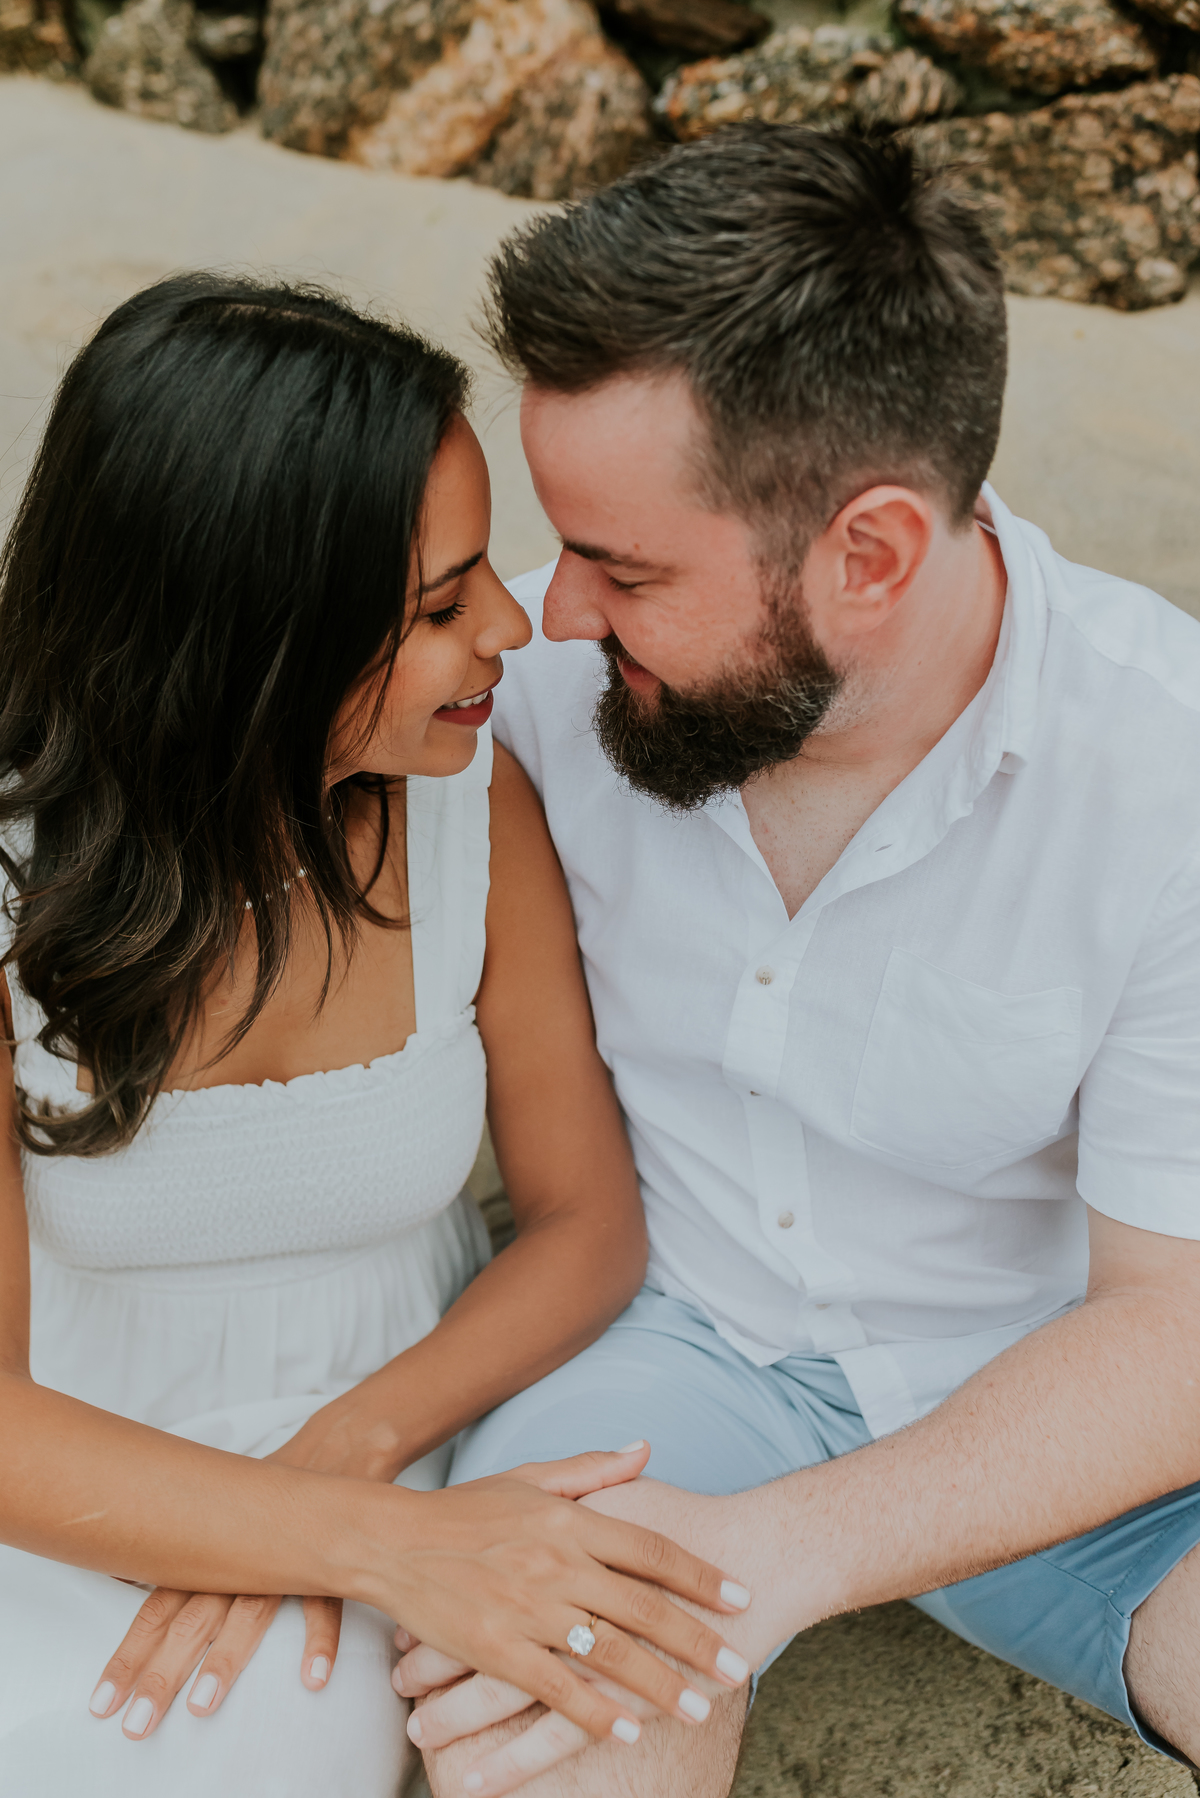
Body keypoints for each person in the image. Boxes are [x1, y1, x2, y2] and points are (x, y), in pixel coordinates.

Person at [395, 125, 1200, 1798]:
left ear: (873, 553)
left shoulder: (1168, 768)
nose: (554, 618)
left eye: (622, 569)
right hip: (659, 1355)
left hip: (1069, 1410)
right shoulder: (534, 695)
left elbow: (1175, 1321)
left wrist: (781, 1553)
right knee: (542, 1751)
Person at [0, 274, 754, 1798]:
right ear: (244, 646)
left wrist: (350, 1471)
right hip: (64, 1468)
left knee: (220, 1758)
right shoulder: (16, 881)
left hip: (384, 1417)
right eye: (435, 605)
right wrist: (374, 1538)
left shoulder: (473, 811)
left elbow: (586, 1223)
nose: (509, 625)